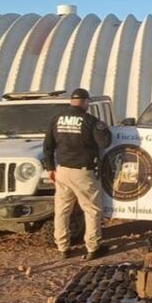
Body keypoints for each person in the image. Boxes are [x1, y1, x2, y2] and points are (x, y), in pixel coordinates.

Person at [42, 88, 112, 260]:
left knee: (62, 211)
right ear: (86, 102)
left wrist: (50, 167)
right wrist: (103, 129)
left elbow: (48, 145)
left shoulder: (57, 119)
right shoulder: (90, 120)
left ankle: (63, 248)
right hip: (83, 173)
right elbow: (105, 142)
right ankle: (92, 248)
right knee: (92, 210)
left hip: (62, 171)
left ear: (71, 101)